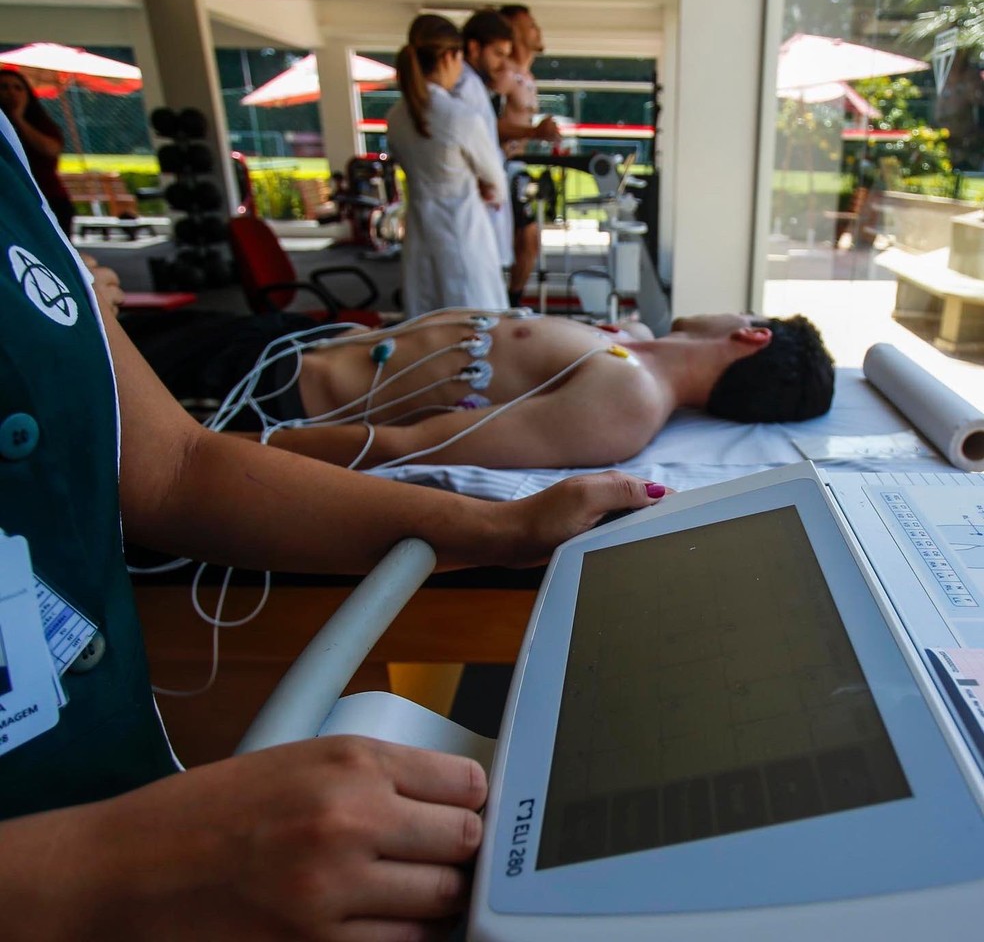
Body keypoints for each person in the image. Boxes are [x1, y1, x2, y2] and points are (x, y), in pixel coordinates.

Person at [0, 113, 666, 938]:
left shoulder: (11, 167)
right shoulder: (627, 356)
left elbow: (174, 466)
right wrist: (107, 869)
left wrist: (504, 530)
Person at [119, 302, 834, 472]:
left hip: (261, 392)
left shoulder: (630, 405)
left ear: (753, 335)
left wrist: (207, 454)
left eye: (747, 310)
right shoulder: (630, 343)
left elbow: (412, 445)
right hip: (289, 340)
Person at [386, 15, 508, 317]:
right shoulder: (461, 117)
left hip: (419, 236)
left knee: (427, 332)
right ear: (450, 57)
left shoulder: (396, 117)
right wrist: (486, 188)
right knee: (476, 330)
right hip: (464, 237)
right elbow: (496, 183)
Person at [497, 5, 561, 307]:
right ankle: (503, 303)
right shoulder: (503, 75)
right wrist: (534, 132)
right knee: (517, 242)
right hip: (496, 169)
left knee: (529, 242)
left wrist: (540, 135)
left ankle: (513, 301)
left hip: (516, 167)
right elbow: (484, 127)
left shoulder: (528, 77)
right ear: (513, 31)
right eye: (530, 25)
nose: (537, 30)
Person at [454, 8, 515, 273]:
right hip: (475, 198)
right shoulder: (464, 86)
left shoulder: (474, 85)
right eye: (497, 54)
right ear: (474, 47)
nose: (502, 65)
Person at [0, 68, 75, 236]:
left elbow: (50, 149)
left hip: (48, 197)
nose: (11, 92)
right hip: (10, 201)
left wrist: (18, 119)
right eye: (4, 87)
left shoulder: (42, 124)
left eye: (18, 88)